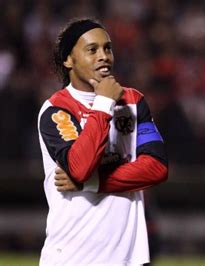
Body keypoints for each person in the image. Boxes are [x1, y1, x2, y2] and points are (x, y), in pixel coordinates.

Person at [37, 18, 168, 265]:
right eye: (92, 49)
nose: (104, 56)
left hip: (129, 258)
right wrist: (104, 103)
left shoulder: (133, 101)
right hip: (72, 257)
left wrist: (93, 183)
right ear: (68, 60)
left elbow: (157, 168)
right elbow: (80, 167)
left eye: (107, 48)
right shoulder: (56, 110)